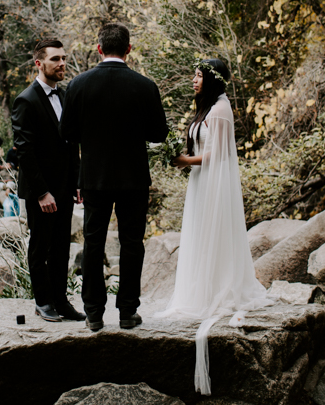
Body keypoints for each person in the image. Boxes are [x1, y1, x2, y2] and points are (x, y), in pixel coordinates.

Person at [163, 58, 269, 394]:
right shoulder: (205, 108)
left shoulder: (221, 111)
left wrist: (183, 160)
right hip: (200, 182)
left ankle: (217, 286)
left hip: (213, 182)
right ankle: (200, 285)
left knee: (214, 236)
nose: (193, 79)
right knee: (199, 235)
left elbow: (218, 155)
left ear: (211, 79)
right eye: (193, 73)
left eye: (197, 75)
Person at [60, 23, 168, 331]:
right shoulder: (145, 86)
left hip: (94, 177)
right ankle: (127, 312)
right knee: (132, 243)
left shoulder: (79, 85)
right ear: (129, 49)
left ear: (98, 49)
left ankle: (94, 313)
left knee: (93, 243)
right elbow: (159, 133)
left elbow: (66, 132)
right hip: (134, 177)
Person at [12, 38, 84, 323]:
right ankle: (43, 302)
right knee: (40, 247)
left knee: (62, 247)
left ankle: (60, 300)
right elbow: (24, 151)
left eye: (63, 58)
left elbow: (72, 143)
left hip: (65, 187)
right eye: (55, 59)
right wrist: (42, 193)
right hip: (40, 191)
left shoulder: (66, 96)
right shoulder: (25, 100)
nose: (62, 63)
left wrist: (77, 181)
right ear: (38, 63)